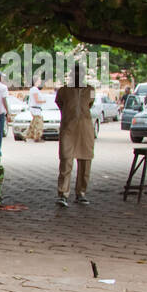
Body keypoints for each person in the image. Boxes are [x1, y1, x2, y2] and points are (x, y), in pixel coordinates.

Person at [55, 68, 95, 206]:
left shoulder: (90, 90)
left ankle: (81, 193)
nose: (77, 77)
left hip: (85, 129)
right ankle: (63, 194)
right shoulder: (63, 91)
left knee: (85, 162)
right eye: (75, 75)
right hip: (68, 129)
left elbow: (90, 104)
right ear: (71, 76)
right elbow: (60, 104)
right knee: (66, 161)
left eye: (80, 75)